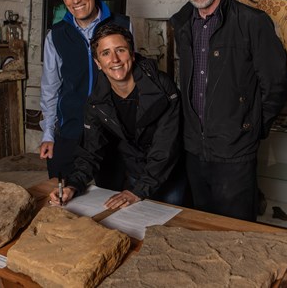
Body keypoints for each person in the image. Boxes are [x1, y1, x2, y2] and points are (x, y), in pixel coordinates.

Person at [169, 0, 287, 221]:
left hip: (235, 153)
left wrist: (250, 128)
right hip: (194, 152)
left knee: (237, 235)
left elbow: (277, 84)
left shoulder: (251, 22)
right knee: (200, 229)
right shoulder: (182, 24)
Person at [48, 23, 185, 208]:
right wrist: (73, 185)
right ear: (97, 63)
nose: (115, 59)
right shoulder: (96, 100)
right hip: (136, 173)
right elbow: (90, 151)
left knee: (174, 225)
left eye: (120, 50)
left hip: (169, 175)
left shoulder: (163, 88)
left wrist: (139, 190)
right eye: (105, 53)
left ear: (132, 54)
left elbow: (166, 148)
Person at [39, 0, 131, 180]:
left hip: (112, 133)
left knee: (111, 203)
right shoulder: (55, 35)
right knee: (62, 197)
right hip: (70, 131)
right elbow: (50, 88)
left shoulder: (123, 25)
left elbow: (133, 79)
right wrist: (48, 134)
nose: (76, 0)